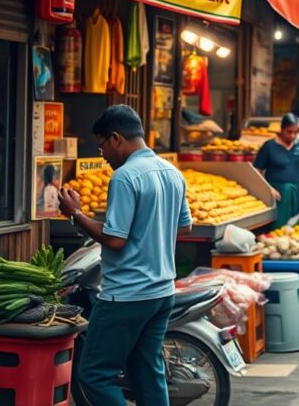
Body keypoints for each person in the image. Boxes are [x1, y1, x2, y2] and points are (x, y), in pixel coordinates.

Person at [58, 105, 192, 405]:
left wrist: (75, 213)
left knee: (94, 373)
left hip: (127, 295)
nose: (102, 154)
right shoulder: (172, 172)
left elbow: (115, 240)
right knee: (148, 372)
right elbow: (184, 228)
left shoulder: (125, 177)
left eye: (101, 144)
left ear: (116, 138)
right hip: (162, 292)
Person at [253, 113, 299, 225]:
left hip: (296, 193)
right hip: (277, 194)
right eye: (289, 132)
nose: (292, 136)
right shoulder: (269, 146)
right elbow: (257, 171)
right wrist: (268, 188)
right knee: (278, 227)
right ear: (282, 129)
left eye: (295, 132)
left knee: (294, 225)